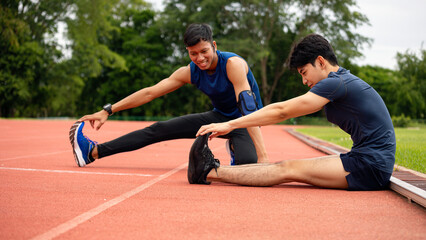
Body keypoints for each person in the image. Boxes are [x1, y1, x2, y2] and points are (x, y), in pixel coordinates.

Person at [190, 34, 396, 191]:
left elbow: (282, 111)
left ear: (321, 62)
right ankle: (209, 169)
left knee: (288, 169)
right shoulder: (341, 82)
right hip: (367, 159)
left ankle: (208, 171)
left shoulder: (336, 83)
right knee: (287, 166)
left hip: (371, 166)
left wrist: (230, 124)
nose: (305, 82)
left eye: (304, 73)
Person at [69, 23, 269, 168]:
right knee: (159, 129)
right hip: (219, 117)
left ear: (214, 45)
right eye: (193, 53)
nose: (199, 58)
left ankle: (236, 147)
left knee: (248, 166)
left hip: (246, 120)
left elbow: (248, 107)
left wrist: (263, 159)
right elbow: (150, 92)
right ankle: (92, 152)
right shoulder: (190, 71)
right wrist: (109, 110)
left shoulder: (233, 65)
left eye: (204, 51)